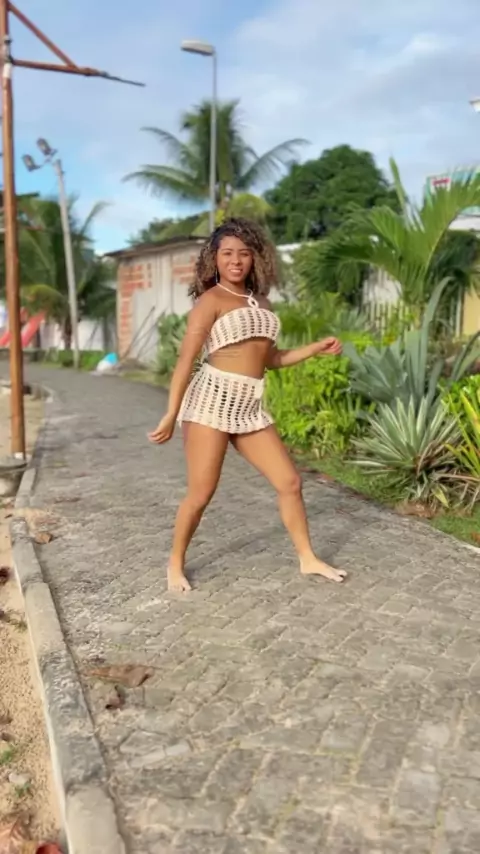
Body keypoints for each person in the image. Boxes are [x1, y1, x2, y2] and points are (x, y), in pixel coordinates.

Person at [148, 218, 347, 592]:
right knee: (201, 494)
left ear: (255, 258)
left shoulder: (263, 303)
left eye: (243, 253)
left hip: (248, 407)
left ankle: (307, 558)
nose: (236, 261)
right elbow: (185, 361)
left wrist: (314, 348)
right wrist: (171, 413)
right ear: (215, 259)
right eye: (227, 254)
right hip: (210, 403)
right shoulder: (210, 301)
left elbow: (271, 359)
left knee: (290, 481)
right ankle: (175, 562)